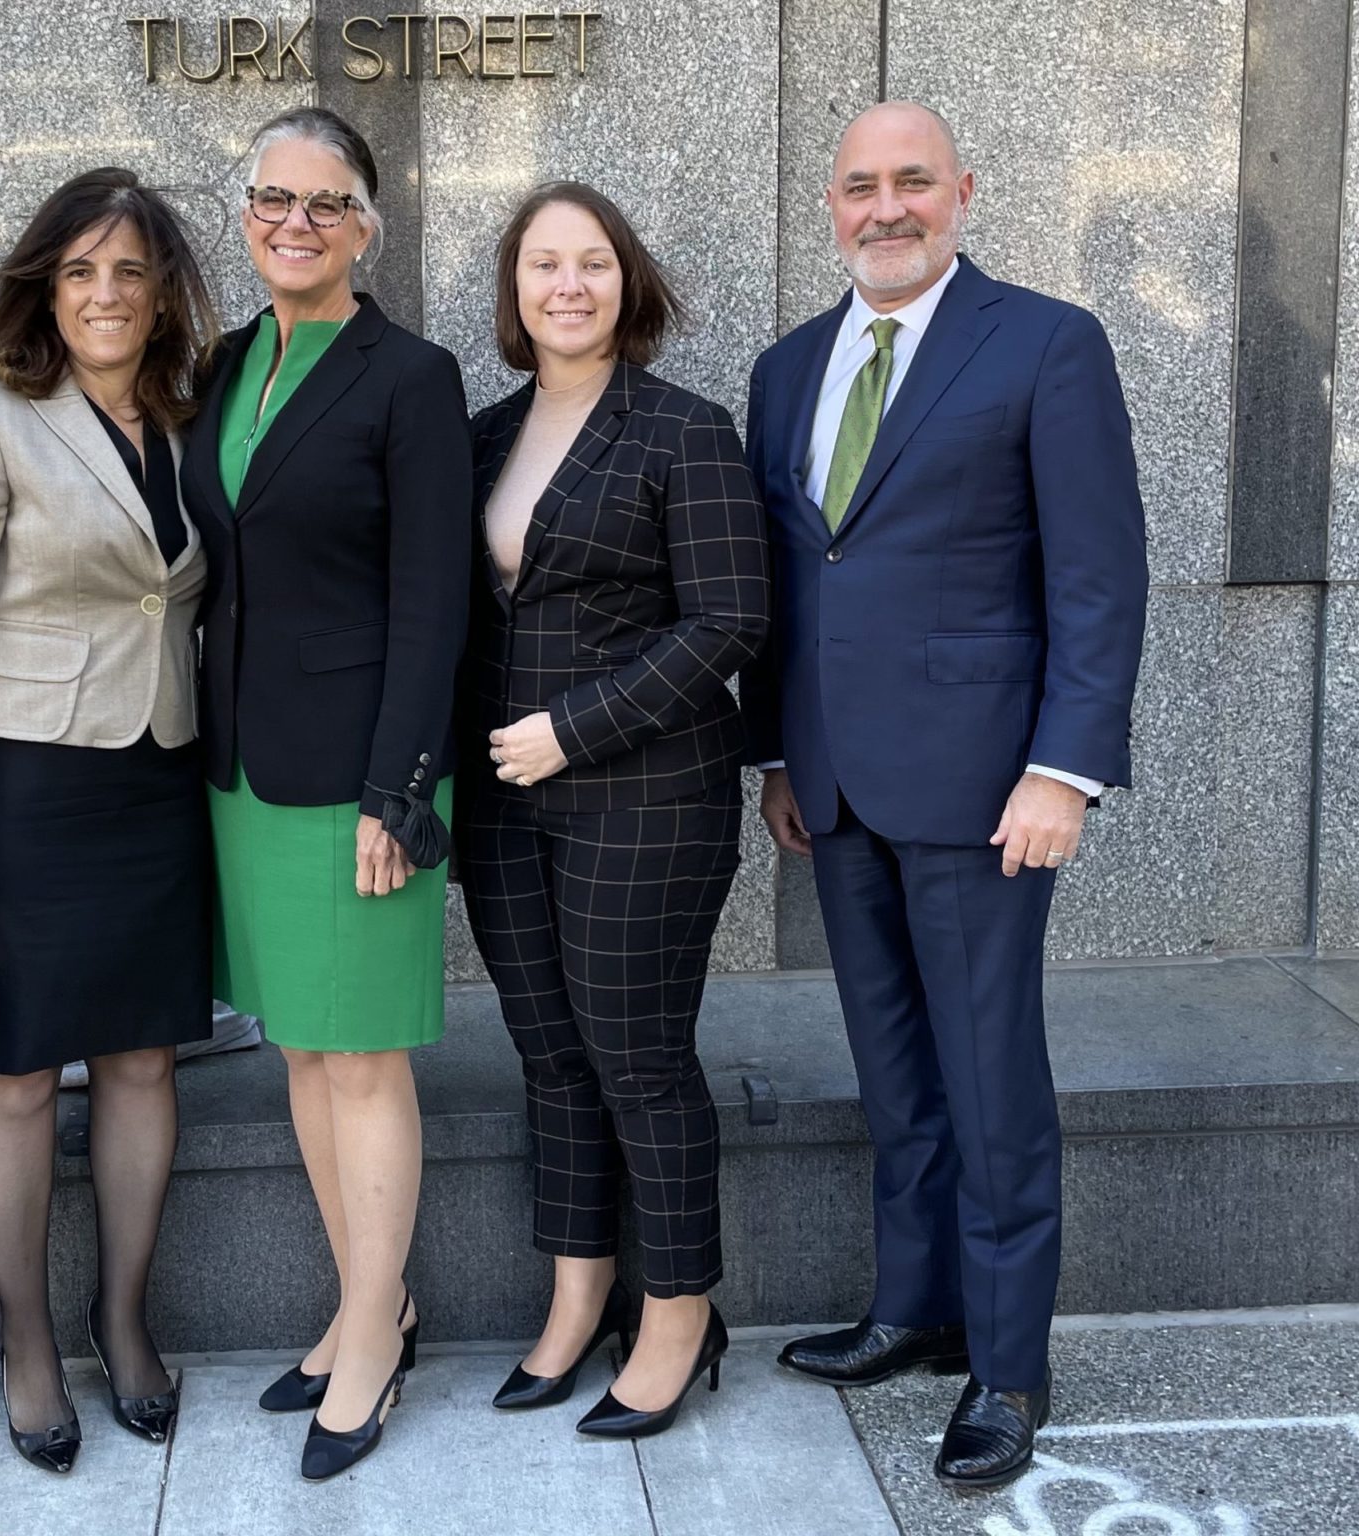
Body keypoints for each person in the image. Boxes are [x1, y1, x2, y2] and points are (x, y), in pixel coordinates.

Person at [742, 102, 1148, 1489]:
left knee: (989, 1077)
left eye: (913, 180)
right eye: (861, 186)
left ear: (965, 191)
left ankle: (1010, 1362)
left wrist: (1065, 769)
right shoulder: (788, 367)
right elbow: (799, 583)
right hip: (838, 785)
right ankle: (915, 1309)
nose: (887, 206)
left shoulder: (1046, 343)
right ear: (833, 206)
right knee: (895, 1071)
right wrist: (781, 755)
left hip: (990, 790)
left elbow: (1099, 574)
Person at [0, 168, 217, 1475]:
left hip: (157, 777)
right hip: (23, 786)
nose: (105, 295)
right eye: (81, 271)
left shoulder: (189, 419)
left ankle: (122, 1317)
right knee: (20, 1079)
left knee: (145, 1059)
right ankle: (29, 1341)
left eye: (129, 273)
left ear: (160, 296)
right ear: (46, 286)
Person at [180, 106, 471, 1482]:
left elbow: (435, 607)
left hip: (362, 781)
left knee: (364, 1058)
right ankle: (376, 1299)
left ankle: (368, 1338)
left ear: (368, 222)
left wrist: (398, 792)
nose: (292, 222)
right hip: (246, 774)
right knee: (303, 1047)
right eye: (270, 198)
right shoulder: (227, 363)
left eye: (324, 202)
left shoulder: (410, 377)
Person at [458, 183, 770, 1440]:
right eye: (543, 264)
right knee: (550, 1062)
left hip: (644, 799)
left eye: (592, 263)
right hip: (500, 807)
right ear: (514, 289)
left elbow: (730, 621)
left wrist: (571, 730)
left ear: (626, 284)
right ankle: (575, 1298)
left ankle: (680, 1311)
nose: (567, 285)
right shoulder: (482, 435)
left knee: (637, 1063)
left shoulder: (684, 432)